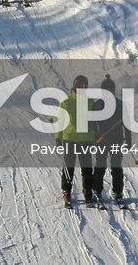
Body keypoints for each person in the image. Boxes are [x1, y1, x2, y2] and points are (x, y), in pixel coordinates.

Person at [55, 74, 98, 207]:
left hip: (85, 140)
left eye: (83, 85)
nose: (81, 87)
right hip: (70, 140)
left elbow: (94, 122)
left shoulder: (90, 102)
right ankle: (66, 191)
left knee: (86, 168)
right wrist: (58, 137)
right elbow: (60, 121)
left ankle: (87, 191)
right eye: (78, 85)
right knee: (69, 168)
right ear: (74, 85)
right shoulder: (66, 102)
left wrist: (95, 136)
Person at [93, 74, 130, 205]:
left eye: (110, 89)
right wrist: (94, 137)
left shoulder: (120, 104)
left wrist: (129, 140)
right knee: (100, 166)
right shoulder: (97, 105)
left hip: (117, 140)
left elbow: (127, 123)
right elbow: (91, 123)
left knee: (116, 167)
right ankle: (97, 190)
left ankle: (118, 191)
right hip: (102, 141)